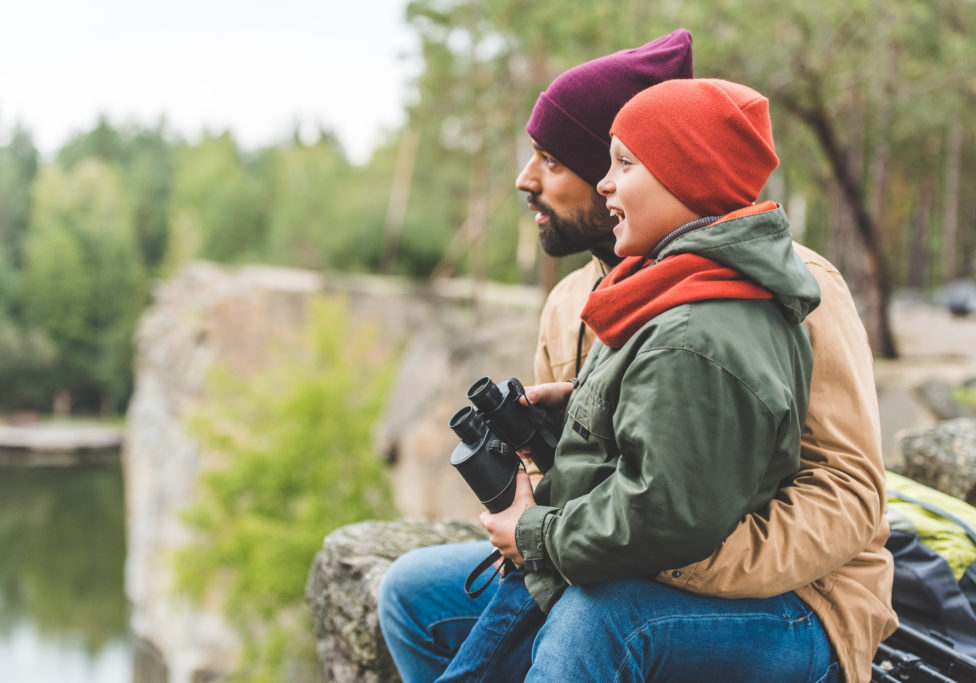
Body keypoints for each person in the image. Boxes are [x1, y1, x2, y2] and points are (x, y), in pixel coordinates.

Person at [379, 30, 896, 683]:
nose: (525, 179)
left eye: (553, 160)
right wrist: (558, 460)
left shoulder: (788, 289)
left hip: (797, 600)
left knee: (598, 617)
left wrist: (656, 553)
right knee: (411, 592)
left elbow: (847, 494)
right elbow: (596, 487)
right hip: (619, 554)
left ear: (656, 171)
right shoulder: (577, 302)